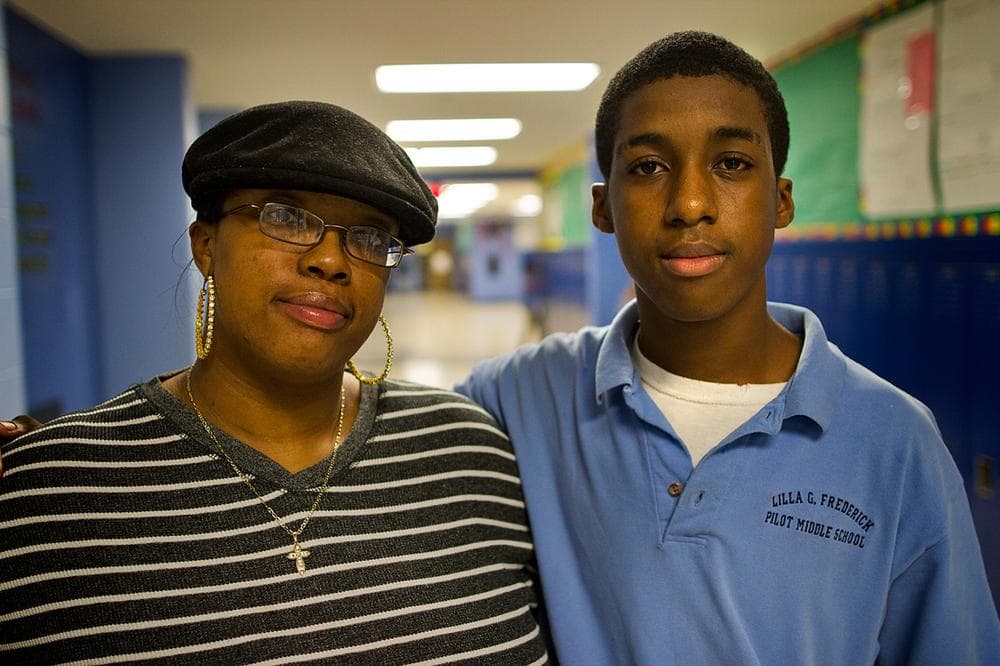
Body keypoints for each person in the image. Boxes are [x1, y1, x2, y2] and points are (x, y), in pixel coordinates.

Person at [455, 32, 1000, 664]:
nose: (690, 204)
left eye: (733, 164)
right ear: (604, 209)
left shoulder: (895, 441)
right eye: (648, 168)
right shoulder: (525, 394)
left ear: (782, 200)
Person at [0, 101, 548, 663]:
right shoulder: (49, 489)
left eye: (370, 237)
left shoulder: (469, 451)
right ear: (205, 244)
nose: (331, 261)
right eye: (287, 217)